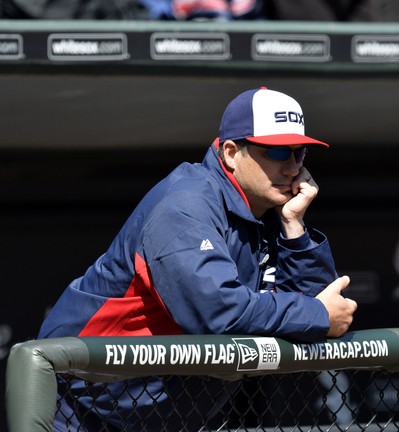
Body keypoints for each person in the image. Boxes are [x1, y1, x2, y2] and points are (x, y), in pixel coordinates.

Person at [38, 87, 357, 431]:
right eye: (279, 151)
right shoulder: (186, 203)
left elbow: (318, 310)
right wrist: (316, 315)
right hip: (81, 401)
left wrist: (294, 226)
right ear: (232, 153)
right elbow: (217, 311)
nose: (294, 168)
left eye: (300, 152)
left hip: (160, 413)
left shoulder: (269, 211)